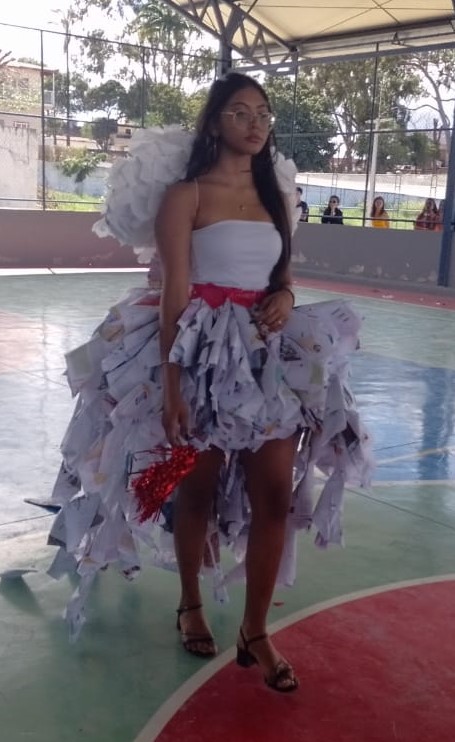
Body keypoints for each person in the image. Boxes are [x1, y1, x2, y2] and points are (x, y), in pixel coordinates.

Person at [43, 73, 372, 693]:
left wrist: (286, 296)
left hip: (267, 358)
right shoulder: (185, 196)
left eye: (263, 114)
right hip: (201, 352)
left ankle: (255, 631)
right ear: (216, 123)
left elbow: (282, 275)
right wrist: (173, 388)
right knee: (197, 490)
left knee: (273, 495)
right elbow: (174, 292)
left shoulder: (276, 194)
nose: (255, 124)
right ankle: (190, 602)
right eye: (240, 112)